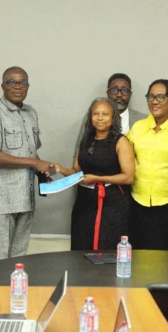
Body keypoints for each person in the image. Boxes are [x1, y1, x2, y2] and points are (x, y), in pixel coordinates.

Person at [0, 66, 54, 261]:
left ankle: (16, 284)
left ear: (28, 86)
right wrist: (34, 163)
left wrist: (42, 172)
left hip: (25, 196)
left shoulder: (31, 113)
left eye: (22, 82)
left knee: (19, 257)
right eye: (11, 82)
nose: (17, 86)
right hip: (1, 199)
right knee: (1, 259)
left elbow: (31, 151)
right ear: (2, 86)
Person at [56, 98, 134, 250]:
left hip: (112, 205)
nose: (99, 118)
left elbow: (128, 177)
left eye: (105, 114)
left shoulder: (120, 141)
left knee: (106, 246)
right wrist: (60, 169)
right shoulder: (86, 140)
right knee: (82, 244)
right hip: (85, 203)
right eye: (95, 114)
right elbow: (76, 172)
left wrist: (97, 178)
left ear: (113, 118)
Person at [127, 79, 168, 250]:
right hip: (137, 202)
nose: (154, 101)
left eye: (161, 97)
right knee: (138, 255)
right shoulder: (138, 127)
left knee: (165, 257)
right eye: (151, 96)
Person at [74, 73, 145, 150]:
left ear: (130, 94)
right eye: (114, 90)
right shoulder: (94, 117)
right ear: (108, 93)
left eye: (124, 90)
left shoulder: (143, 120)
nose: (119, 95)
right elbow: (80, 148)